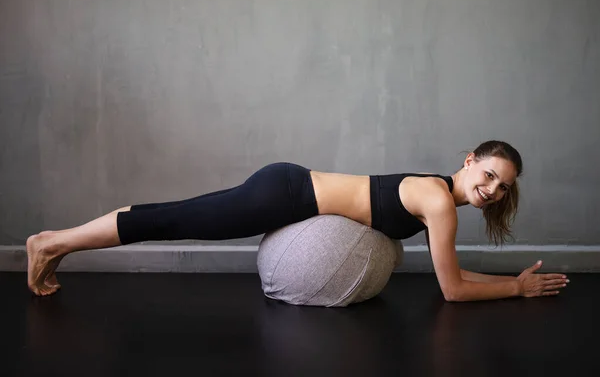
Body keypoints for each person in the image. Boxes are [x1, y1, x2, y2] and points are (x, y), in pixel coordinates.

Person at [26, 140, 569, 300]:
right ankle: (52, 243)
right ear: (470, 159)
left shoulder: (438, 197)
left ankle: (57, 244)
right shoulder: (437, 203)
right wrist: (516, 289)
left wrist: (507, 282)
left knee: (169, 217)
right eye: (491, 174)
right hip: (284, 194)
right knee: (169, 219)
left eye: (503, 188)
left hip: (287, 188)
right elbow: (451, 290)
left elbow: (452, 278)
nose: (493, 191)